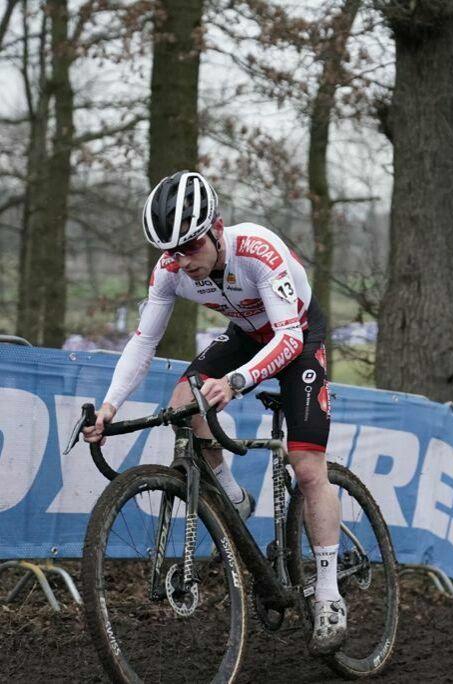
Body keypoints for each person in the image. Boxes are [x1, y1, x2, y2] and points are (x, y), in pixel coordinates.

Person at [83, 170, 346, 654]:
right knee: (184, 400)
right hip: (247, 333)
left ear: (217, 228)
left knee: (308, 469)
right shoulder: (170, 270)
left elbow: (287, 338)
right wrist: (109, 406)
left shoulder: (258, 251)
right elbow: (144, 341)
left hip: (298, 336)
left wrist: (239, 380)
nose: (182, 262)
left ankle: (329, 595)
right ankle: (231, 494)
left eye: (190, 247)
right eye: (171, 252)